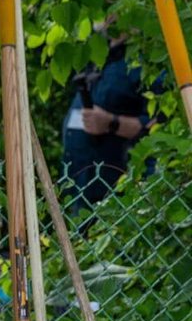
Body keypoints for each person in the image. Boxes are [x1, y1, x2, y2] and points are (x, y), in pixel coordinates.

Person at [62, 35, 156, 211]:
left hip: (115, 194)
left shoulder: (143, 60)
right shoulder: (96, 54)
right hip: (78, 188)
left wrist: (111, 123)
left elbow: (157, 124)